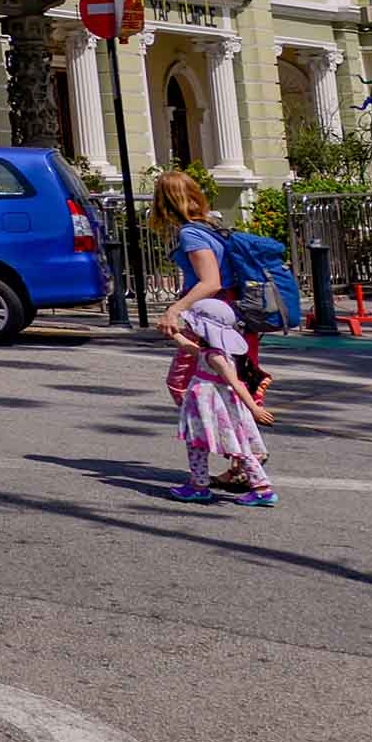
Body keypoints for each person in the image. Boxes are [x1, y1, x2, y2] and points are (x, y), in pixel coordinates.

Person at [162, 294, 273, 504]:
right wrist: (172, 333)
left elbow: (236, 383)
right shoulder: (212, 351)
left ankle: (258, 488)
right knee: (203, 445)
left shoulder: (216, 357)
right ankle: (201, 484)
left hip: (212, 407)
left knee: (234, 447)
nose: (189, 327)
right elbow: (189, 347)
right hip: (206, 406)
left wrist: (254, 408)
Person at [152, 172, 234, 325]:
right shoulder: (212, 226)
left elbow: (210, 283)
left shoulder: (191, 234)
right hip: (228, 307)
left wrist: (174, 310)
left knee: (199, 350)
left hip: (213, 313)